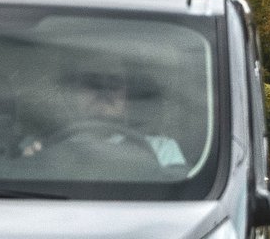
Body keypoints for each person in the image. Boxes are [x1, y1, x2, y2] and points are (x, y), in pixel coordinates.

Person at [21, 66, 186, 169]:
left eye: (114, 83)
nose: (103, 91)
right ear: (74, 95)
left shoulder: (161, 150)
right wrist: (32, 163)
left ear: (128, 97)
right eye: (92, 83)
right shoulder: (45, 147)